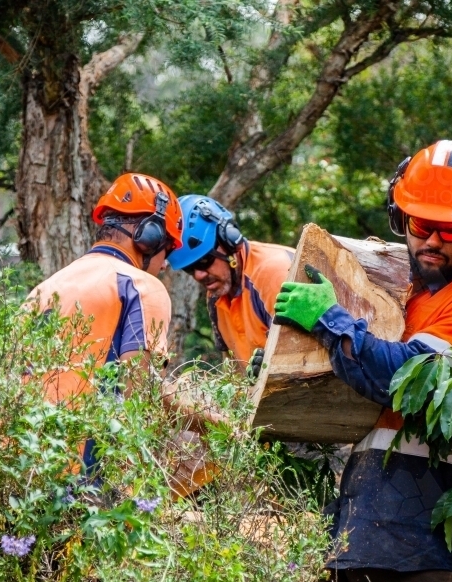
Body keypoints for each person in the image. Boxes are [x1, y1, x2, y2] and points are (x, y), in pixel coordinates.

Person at [274, 141, 452, 582]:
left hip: (425, 546)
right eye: (419, 223)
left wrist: (331, 321)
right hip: (361, 535)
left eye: (449, 229)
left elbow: (409, 378)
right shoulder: (411, 296)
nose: (431, 240)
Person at [26, 172, 215, 479]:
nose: (165, 263)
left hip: (6, 475)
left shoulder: (45, 287)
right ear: (149, 235)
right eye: (167, 248)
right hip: (75, 478)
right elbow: (141, 392)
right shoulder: (140, 285)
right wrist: (213, 424)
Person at [165, 195, 294, 376]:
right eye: (189, 269)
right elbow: (233, 371)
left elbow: (302, 359)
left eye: (204, 261)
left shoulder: (274, 274)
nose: (199, 275)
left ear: (229, 240)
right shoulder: (216, 296)